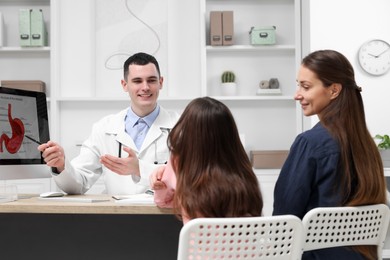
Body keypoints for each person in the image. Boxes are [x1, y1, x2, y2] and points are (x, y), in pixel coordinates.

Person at [273, 50, 387, 260]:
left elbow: (283, 221)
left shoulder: (310, 143)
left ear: (334, 90)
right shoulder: (367, 145)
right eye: (298, 85)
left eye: (305, 87)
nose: (297, 94)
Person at [38, 52, 179, 195]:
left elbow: (192, 178)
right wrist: (61, 166)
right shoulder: (104, 128)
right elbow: (78, 184)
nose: (145, 87)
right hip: (117, 214)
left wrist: (139, 169)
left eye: (151, 80)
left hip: (164, 215)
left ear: (160, 82)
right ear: (125, 85)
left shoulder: (181, 126)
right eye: (137, 81)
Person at [150, 97, 263, 224]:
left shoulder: (179, 161)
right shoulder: (240, 165)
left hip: (201, 244)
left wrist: (163, 174)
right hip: (245, 243)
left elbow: (162, 201)